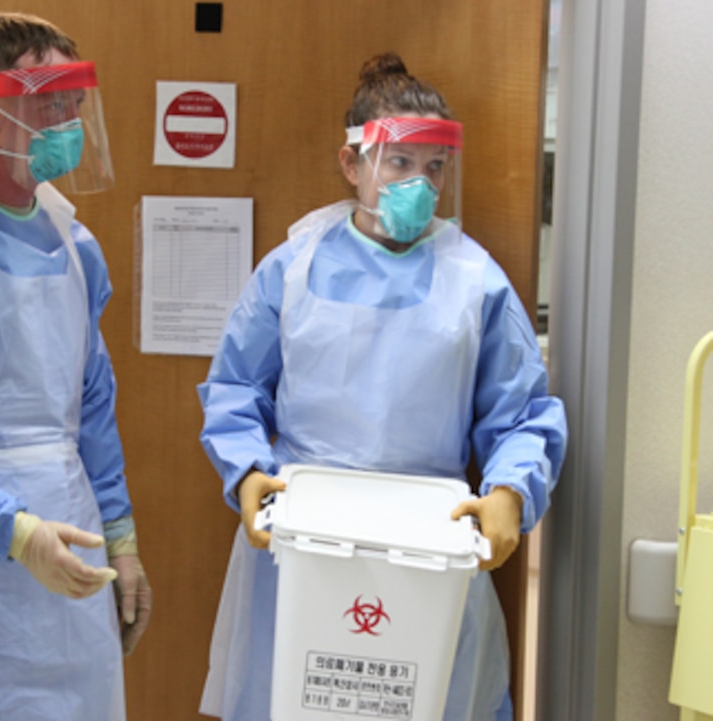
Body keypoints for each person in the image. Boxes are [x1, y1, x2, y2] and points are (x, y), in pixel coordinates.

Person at [196, 52, 567, 721]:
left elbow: (521, 414)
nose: (418, 185)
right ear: (352, 164)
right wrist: (247, 470)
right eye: (399, 163)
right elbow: (234, 388)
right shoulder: (292, 268)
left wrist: (511, 489)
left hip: (431, 542)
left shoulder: (474, 281)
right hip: (304, 539)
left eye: (434, 168)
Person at [0, 12, 151, 721]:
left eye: (71, 103)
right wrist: (9, 529)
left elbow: (93, 411)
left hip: (74, 511)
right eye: (45, 102)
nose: (65, 122)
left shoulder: (76, 245)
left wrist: (123, 539)